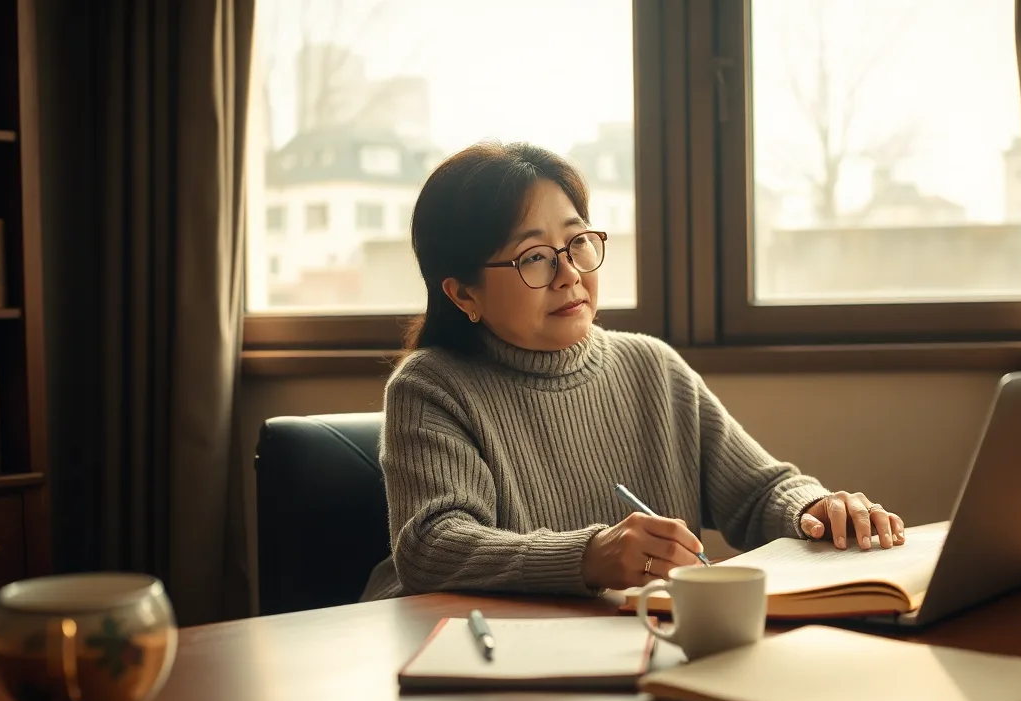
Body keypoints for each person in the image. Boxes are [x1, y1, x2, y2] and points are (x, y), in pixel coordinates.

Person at [359, 141, 905, 601]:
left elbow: (761, 493)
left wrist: (816, 508)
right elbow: (432, 546)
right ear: (463, 293)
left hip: (640, 645)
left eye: (577, 242)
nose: (569, 273)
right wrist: (589, 556)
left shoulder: (652, 367)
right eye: (533, 257)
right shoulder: (431, 387)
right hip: (484, 662)